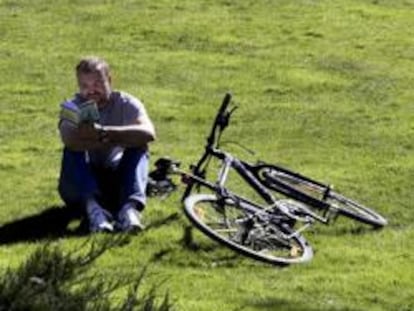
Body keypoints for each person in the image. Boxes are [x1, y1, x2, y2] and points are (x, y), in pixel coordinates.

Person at [57, 56, 156, 233]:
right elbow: (68, 138)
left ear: (109, 80)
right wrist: (119, 137)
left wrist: (104, 133)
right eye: (85, 86)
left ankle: (129, 210)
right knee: (72, 150)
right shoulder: (73, 107)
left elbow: (148, 133)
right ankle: (94, 211)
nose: (91, 91)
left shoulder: (128, 103)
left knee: (139, 146)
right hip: (81, 181)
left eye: (97, 84)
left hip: (116, 176)